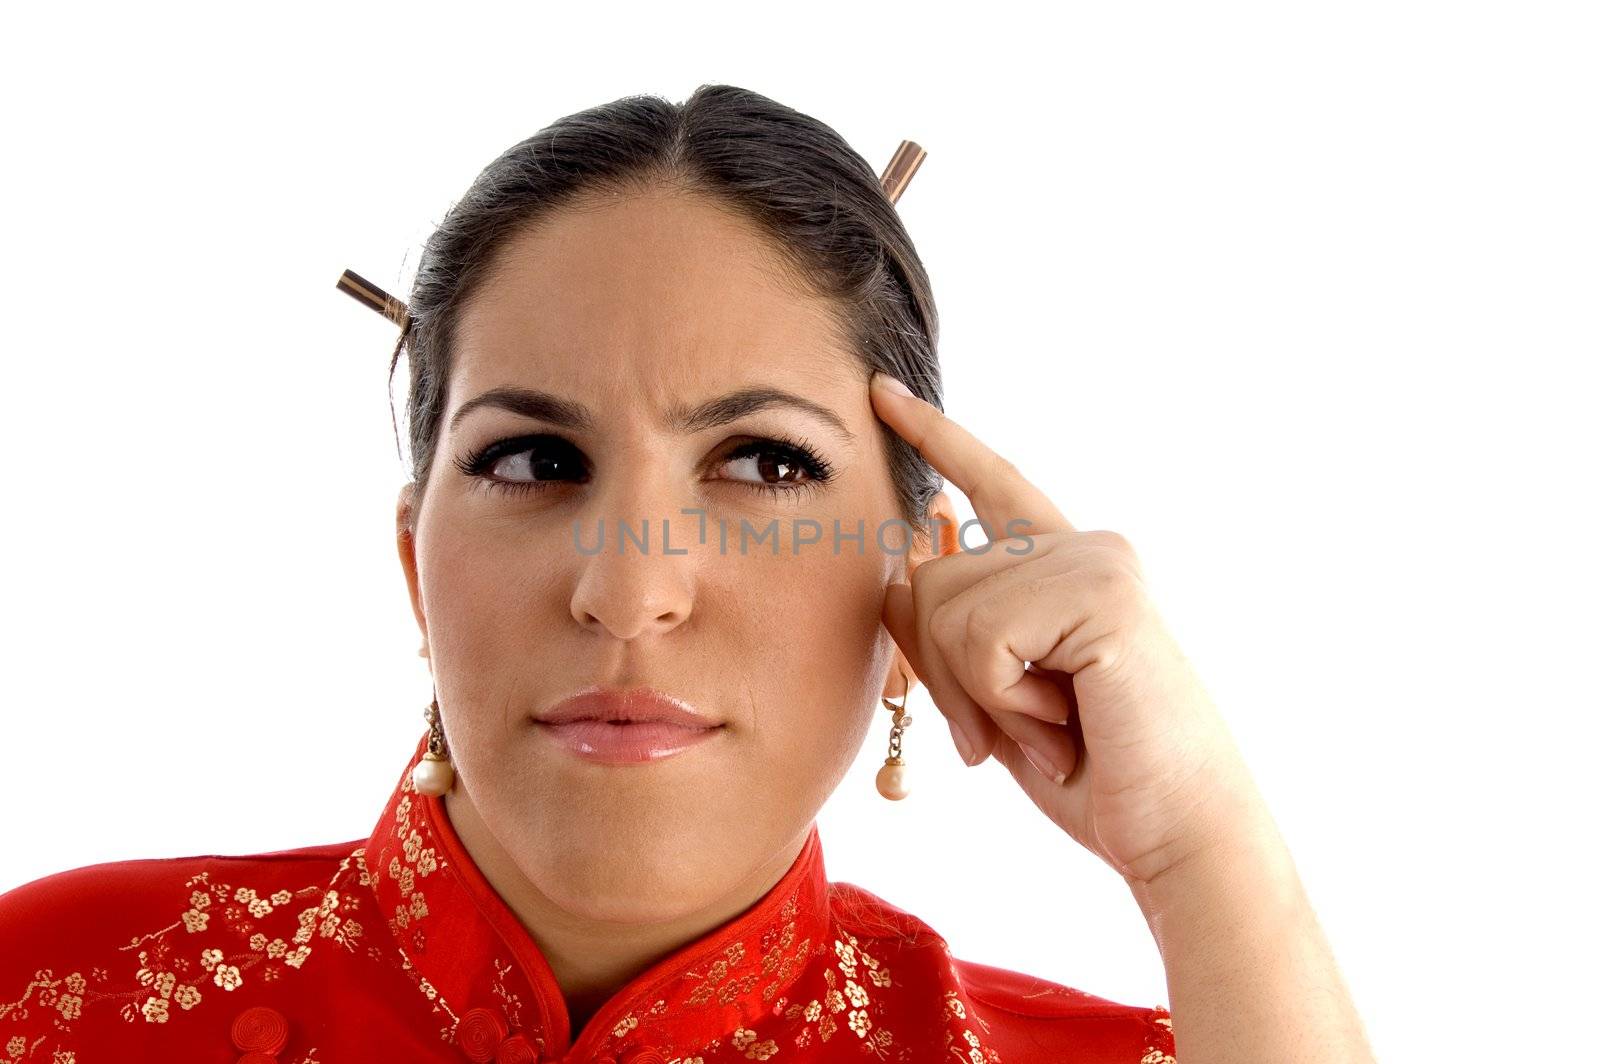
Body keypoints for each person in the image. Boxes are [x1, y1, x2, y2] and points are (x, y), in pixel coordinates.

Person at [0, 84, 1372, 1062]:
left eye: (764, 464)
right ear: (418, 567)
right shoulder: (52, 994)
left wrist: (1199, 847)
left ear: (917, 590)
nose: (629, 593)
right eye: (536, 461)